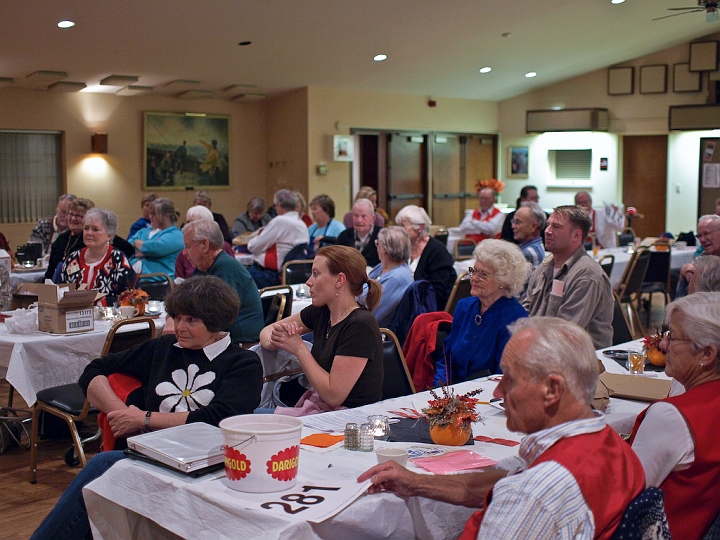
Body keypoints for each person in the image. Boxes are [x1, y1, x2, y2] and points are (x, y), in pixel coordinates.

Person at [359, 317, 645, 540]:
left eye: (509, 377)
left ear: (552, 390)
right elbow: (509, 479)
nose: (498, 389)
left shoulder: (532, 496)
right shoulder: (616, 447)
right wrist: (418, 482)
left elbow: (522, 490)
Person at [30, 276, 263, 540]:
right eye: (176, 317)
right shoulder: (164, 348)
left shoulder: (243, 363)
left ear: (217, 321)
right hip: (154, 455)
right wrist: (120, 412)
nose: (179, 327)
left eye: (192, 320)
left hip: (209, 461)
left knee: (102, 468)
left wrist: (144, 419)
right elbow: (95, 370)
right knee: (98, 485)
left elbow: (219, 419)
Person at [629, 292, 720, 540]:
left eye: (673, 337)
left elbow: (621, 496)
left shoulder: (673, 417)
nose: (663, 345)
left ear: (706, 354)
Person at [259, 245, 384, 414]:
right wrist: (280, 336)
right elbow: (265, 333)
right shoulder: (322, 311)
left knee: (247, 420)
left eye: (316, 274)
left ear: (339, 280)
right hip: (321, 408)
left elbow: (334, 397)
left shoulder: (360, 326)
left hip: (349, 418)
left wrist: (298, 348)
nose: (308, 281)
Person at [434, 239, 530, 385]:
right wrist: (440, 388)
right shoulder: (464, 307)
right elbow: (447, 358)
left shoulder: (515, 319)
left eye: (483, 274)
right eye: (474, 271)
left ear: (504, 282)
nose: (474, 278)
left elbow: (503, 377)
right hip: (451, 394)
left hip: (487, 398)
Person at [524, 205, 613, 349]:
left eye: (556, 227)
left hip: (577, 361)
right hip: (542, 349)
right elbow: (526, 310)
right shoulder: (545, 267)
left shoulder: (587, 275)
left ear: (576, 235)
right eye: (548, 225)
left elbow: (565, 333)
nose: (547, 231)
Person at [181, 219, 264, 345]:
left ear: (205, 245)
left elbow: (215, 315)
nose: (184, 252)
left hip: (240, 344)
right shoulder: (203, 268)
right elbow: (186, 301)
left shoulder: (226, 269)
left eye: (188, 246)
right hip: (222, 338)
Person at [58, 208, 136, 306]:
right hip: (73, 317)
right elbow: (60, 294)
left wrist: (102, 303)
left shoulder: (118, 260)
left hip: (110, 318)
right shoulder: (72, 259)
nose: (89, 233)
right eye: (86, 228)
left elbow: (131, 297)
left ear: (109, 236)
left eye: (95, 229)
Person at [395, 205, 457, 309]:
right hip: (406, 305)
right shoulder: (403, 247)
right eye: (398, 225)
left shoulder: (437, 251)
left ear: (420, 227)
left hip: (428, 309)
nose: (399, 230)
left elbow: (438, 293)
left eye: (403, 225)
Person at [247, 189, 309, 288]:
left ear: (279, 206)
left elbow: (252, 246)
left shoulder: (279, 221)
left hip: (269, 275)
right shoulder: (302, 224)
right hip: (289, 274)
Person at [367, 226, 413, 328]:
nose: (377, 247)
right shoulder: (381, 267)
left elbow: (370, 312)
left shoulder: (396, 279)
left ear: (385, 249)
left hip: (377, 334)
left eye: (378, 243)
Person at [129, 198, 184, 280]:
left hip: (158, 282)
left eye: (154, 214)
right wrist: (146, 251)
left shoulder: (176, 234)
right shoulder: (143, 232)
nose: (150, 217)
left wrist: (137, 243)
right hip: (134, 281)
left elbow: (156, 248)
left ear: (167, 216)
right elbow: (128, 246)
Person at [175, 205, 234, 280]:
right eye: (187, 222)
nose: (188, 226)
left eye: (193, 223)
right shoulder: (199, 265)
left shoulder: (224, 263)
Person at [677, 214, 720, 297]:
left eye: (707, 234)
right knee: (686, 275)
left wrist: (700, 271)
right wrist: (687, 268)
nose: (702, 240)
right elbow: (694, 264)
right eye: (699, 236)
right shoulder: (705, 255)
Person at [338, 198, 382, 267]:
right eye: (356, 215)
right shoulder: (344, 236)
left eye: (363, 216)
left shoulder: (382, 236)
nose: (359, 220)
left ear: (373, 218)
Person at [511, 201, 546, 269]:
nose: (513, 226)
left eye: (518, 222)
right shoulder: (534, 246)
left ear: (534, 226)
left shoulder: (528, 253)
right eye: (513, 222)